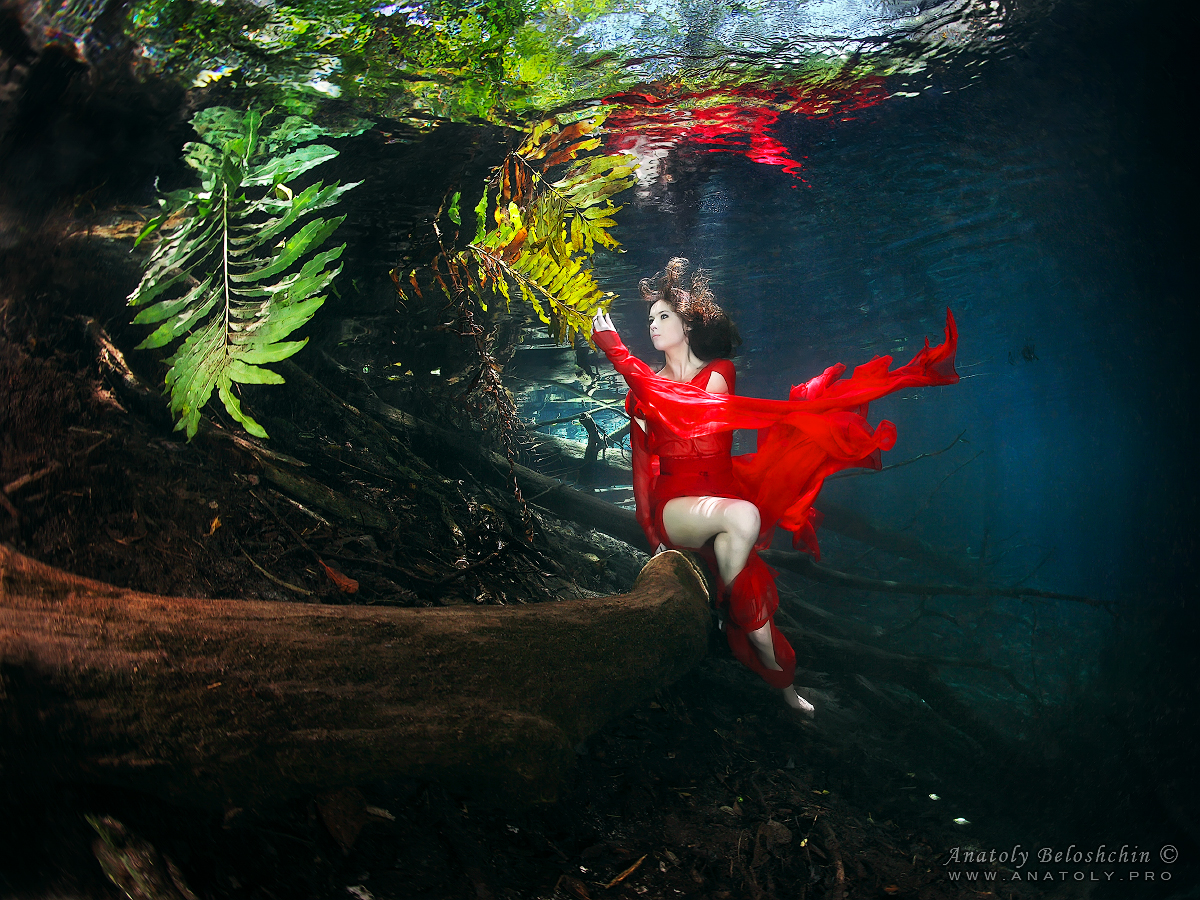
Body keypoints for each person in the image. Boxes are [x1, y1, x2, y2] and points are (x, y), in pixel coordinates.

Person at [590, 258, 960, 715]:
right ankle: (728, 603)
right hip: (677, 508)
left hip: (722, 498)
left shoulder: (718, 373)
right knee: (742, 521)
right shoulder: (646, 388)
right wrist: (650, 533)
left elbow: (685, 411)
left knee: (755, 610)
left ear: (688, 323)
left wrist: (617, 352)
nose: (652, 325)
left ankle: (785, 688)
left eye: (663, 315)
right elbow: (643, 465)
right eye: (649, 318)